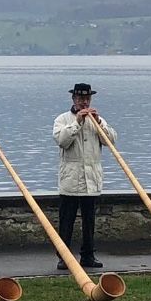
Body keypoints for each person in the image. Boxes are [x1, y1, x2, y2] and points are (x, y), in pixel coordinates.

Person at [52, 83, 117, 270]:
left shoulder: (98, 120)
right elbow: (62, 141)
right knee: (67, 221)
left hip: (91, 178)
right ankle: (63, 257)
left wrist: (100, 124)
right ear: (73, 99)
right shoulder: (62, 119)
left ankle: (88, 256)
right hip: (71, 179)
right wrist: (77, 123)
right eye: (80, 99)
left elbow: (111, 141)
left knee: (89, 221)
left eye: (87, 99)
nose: (84, 102)